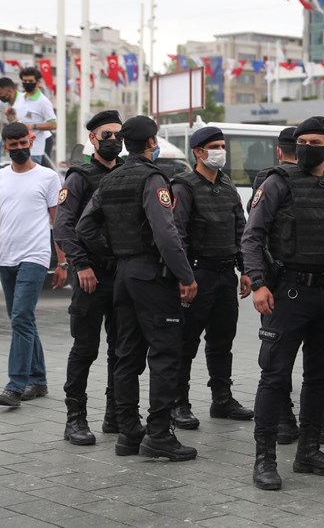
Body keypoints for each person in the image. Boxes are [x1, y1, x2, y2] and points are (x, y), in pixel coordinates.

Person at [75, 115, 199, 461]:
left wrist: (113, 251)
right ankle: (159, 433)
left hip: (124, 276)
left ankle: (129, 432)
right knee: (164, 354)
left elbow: (85, 227)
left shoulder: (111, 180)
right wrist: (186, 276)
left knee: (127, 355)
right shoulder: (153, 178)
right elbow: (166, 233)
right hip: (152, 277)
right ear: (150, 142)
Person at [243, 116, 324, 490]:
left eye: (315, 140)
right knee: (274, 376)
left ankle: (309, 450)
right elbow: (253, 236)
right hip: (288, 292)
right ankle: (265, 459)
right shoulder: (277, 182)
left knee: (320, 377)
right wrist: (258, 282)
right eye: (301, 140)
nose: (307, 146)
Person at [0, 122, 66, 407]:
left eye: (24, 143)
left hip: (34, 257)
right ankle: (38, 380)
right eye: (14, 145)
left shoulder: (48, 177)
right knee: (23, 319)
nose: (20, 149)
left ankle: (15, 386)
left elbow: (56, 222)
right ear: (5, 147)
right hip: (7, 258)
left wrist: (63, 262)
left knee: (20, 318)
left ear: (31, 140)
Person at [170, 126, 253, 430]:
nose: (220, 151)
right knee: (186, 342)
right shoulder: (183, 187)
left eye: (222, 145)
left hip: (224, 274)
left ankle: (222, 399)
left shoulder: (228, 186)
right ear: (198, 152)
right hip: (197, 273)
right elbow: (175, 233)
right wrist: (183, 276)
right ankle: (178, 403)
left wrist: (246, 270)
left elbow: (241, 230)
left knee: (222, 341)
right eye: (214, 146)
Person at [54, 110, 124, 445]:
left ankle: (116, 414)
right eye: (106, 135)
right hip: (89, 275)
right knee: (85, 348)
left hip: (122, 275)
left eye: (117, 134)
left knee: (121, 348)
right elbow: (64, 227)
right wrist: (80, 265)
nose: (113, 140)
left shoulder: (128, 172)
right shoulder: (79, 176)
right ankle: (75, 419)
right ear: (93, 139)